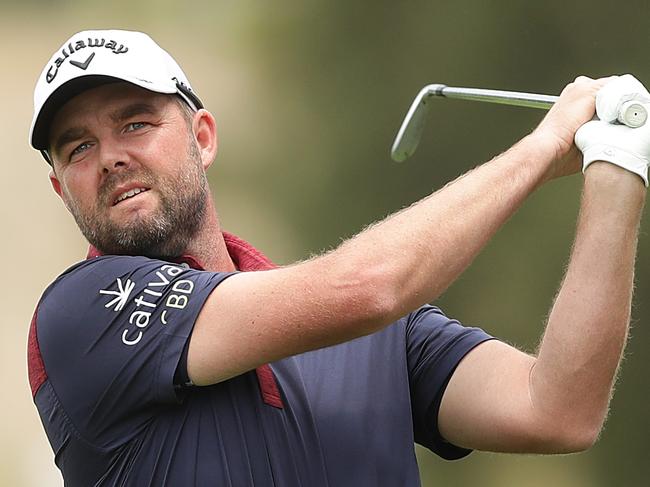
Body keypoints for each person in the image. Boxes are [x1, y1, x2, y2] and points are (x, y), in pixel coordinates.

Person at [27, 29, 648, 487]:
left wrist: (617, 170)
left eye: (135, 124)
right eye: (78, 147)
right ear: (61, 187)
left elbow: (559, 411)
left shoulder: (379, 334)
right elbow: (368, 287)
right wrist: (541, 148)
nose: (109, 156)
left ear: (203, 137)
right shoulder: (84, 313)